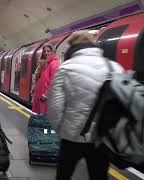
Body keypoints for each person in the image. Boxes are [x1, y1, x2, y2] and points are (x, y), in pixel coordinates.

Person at [47, 30, 124, 180]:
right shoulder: (114, 67)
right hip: (102, 138)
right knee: (99, 176)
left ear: (73, 47)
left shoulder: (65, 68)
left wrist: (62, 130)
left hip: (72, 137)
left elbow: (54, 108)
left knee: (63, 175)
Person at [31, 44, 59, 113]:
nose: (46, 53)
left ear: (52, 52)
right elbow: (39, 78)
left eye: (48, 51)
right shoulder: (44, 63)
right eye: (44, 51)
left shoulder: (54, 63)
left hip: (45, 97)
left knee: (43, 117)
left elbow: (54, 80)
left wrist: (46, 94)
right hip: (39, 94)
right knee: (38, 117)